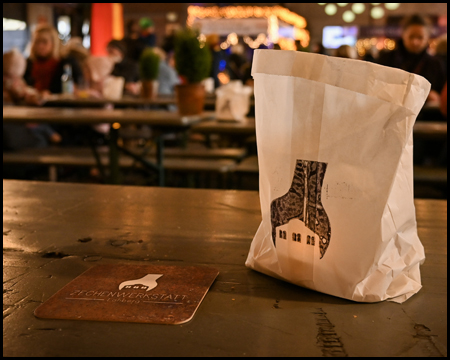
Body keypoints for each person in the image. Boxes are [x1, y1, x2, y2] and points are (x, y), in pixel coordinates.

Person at [377, 14, 446, 103]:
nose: (415, 42)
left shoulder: (436, 63)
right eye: (411, 36)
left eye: (420, 37)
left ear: (427, 38)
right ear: (403, 35)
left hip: (427, 114)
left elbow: (442, 94)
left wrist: (435, 96)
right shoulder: (387, 59)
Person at [23, 23, 82, 96]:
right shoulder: (27, 64)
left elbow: (79, 85)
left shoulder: (67, 63)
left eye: (44, 42)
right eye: (37, 42)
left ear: (54, 43)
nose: (40, 46)